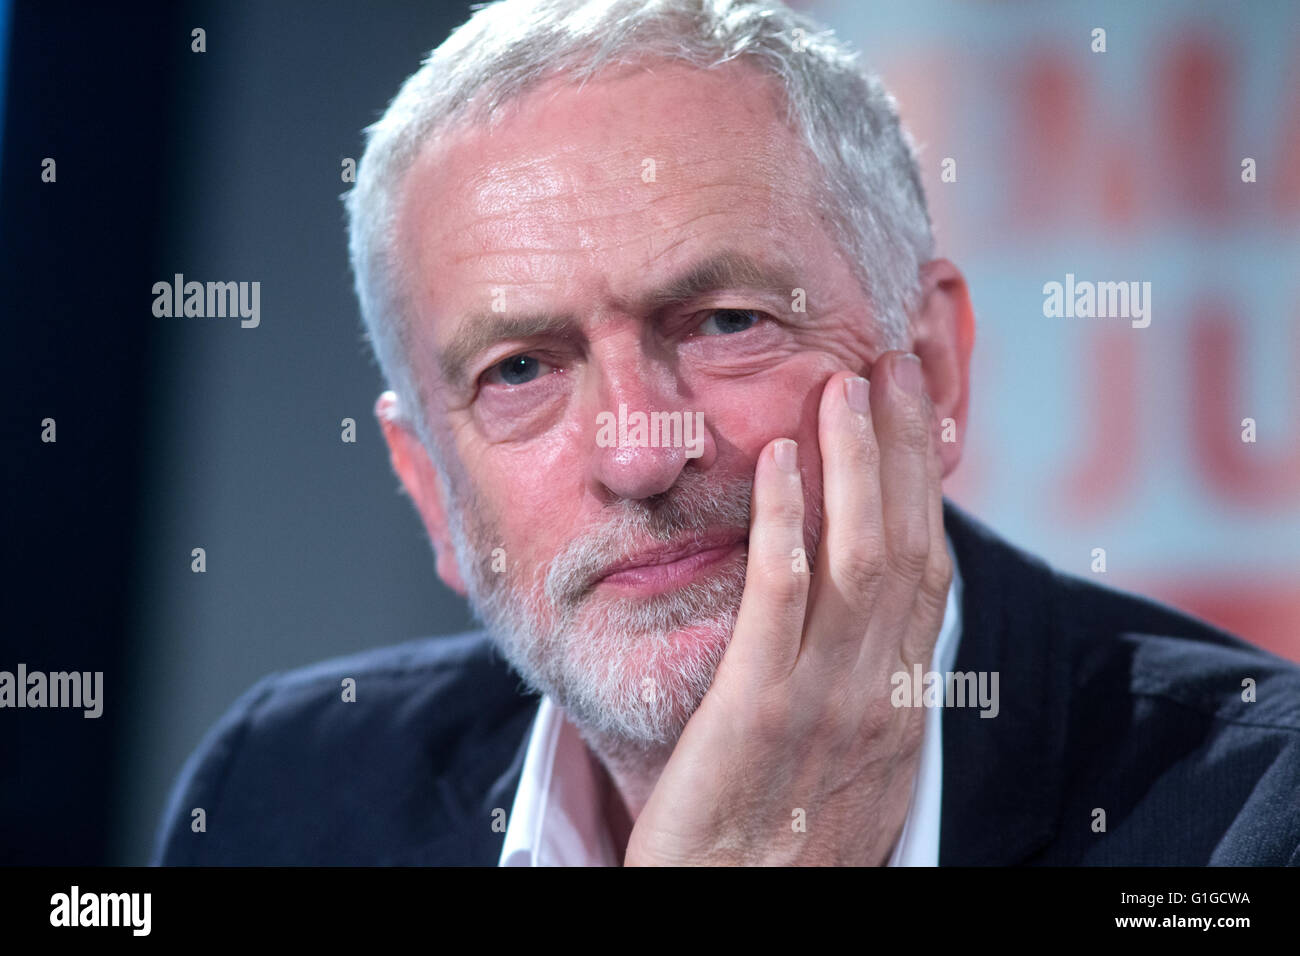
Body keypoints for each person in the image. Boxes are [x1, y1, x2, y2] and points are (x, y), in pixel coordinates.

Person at [152, 0, 1300, 866]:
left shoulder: (1256, 807)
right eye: (520, 370)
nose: (639, 453)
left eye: (725, 322)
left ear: (933, 368)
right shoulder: (288, 795)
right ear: (428, 489)